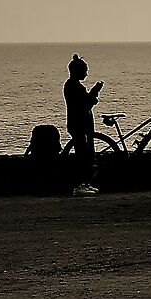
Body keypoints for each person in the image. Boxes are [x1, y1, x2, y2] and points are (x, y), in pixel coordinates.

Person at [64, 55, 104, 195]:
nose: (86, 73)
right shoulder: (74, 87)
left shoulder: (73, 86)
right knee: (83, 155)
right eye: (85, 70)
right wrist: (95, 91)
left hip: (81, 124)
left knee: (86, 154)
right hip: (79, 124)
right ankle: (81, 184)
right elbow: (85, 104)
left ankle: (86, 183)